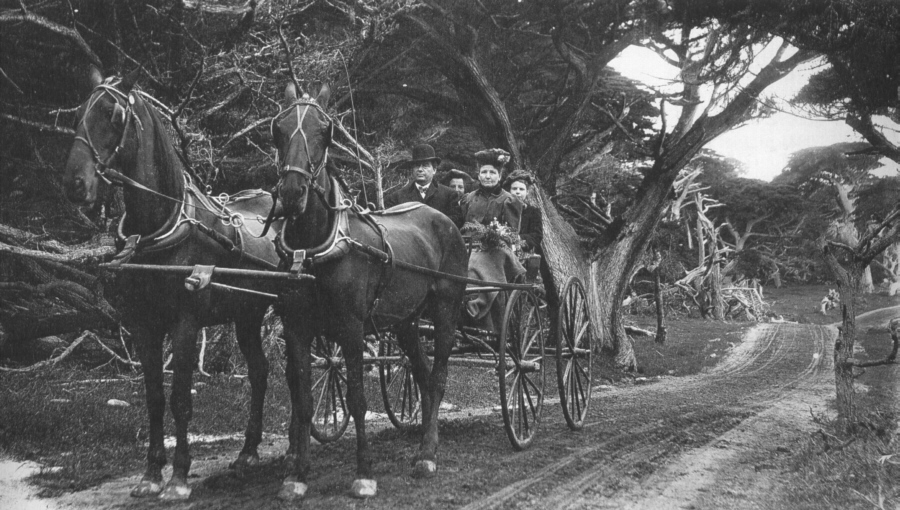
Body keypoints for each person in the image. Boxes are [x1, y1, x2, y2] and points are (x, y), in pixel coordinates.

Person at [384, 143, 463, 228]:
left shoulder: (449, 195)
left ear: (434, 170)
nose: (420, 169)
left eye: (425, 166)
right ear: (412, 170)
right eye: (417, 166)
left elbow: (457, 221)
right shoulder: (396, 198)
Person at [460, 148, 522, 231]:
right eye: (484, 172)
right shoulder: (468, 198)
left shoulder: (509, 200)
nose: (488, 176)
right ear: (479, 176)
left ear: (499, 176)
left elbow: (511, 234)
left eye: (492, 172)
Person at [506, 170, 543, 253]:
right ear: (509, 191)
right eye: (514, 188)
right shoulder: (503, 208)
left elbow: (537, 236)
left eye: (521, 189)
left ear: (527, 192)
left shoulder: (533, 212)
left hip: (524, 251)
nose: (518, 192)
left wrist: (518, 238)